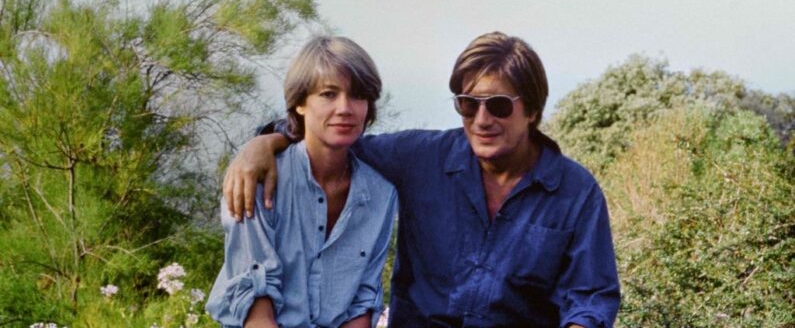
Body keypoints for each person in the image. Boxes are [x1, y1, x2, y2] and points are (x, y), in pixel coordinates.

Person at [224, 32, 620, 327]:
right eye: (468, 105)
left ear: (532, 110)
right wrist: (265, 142)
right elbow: (335, 139)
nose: (482, 120)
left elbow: (590, 298)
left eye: (499, 106)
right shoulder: (420, 158)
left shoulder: (575, 193)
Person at [206, 36, 398, 328]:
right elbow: (256, 306)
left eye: (357, 95)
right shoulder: (257, 178)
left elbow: (363, 301)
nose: (345, 108)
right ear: (300, 103)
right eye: (328, 94)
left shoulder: (381, 192)